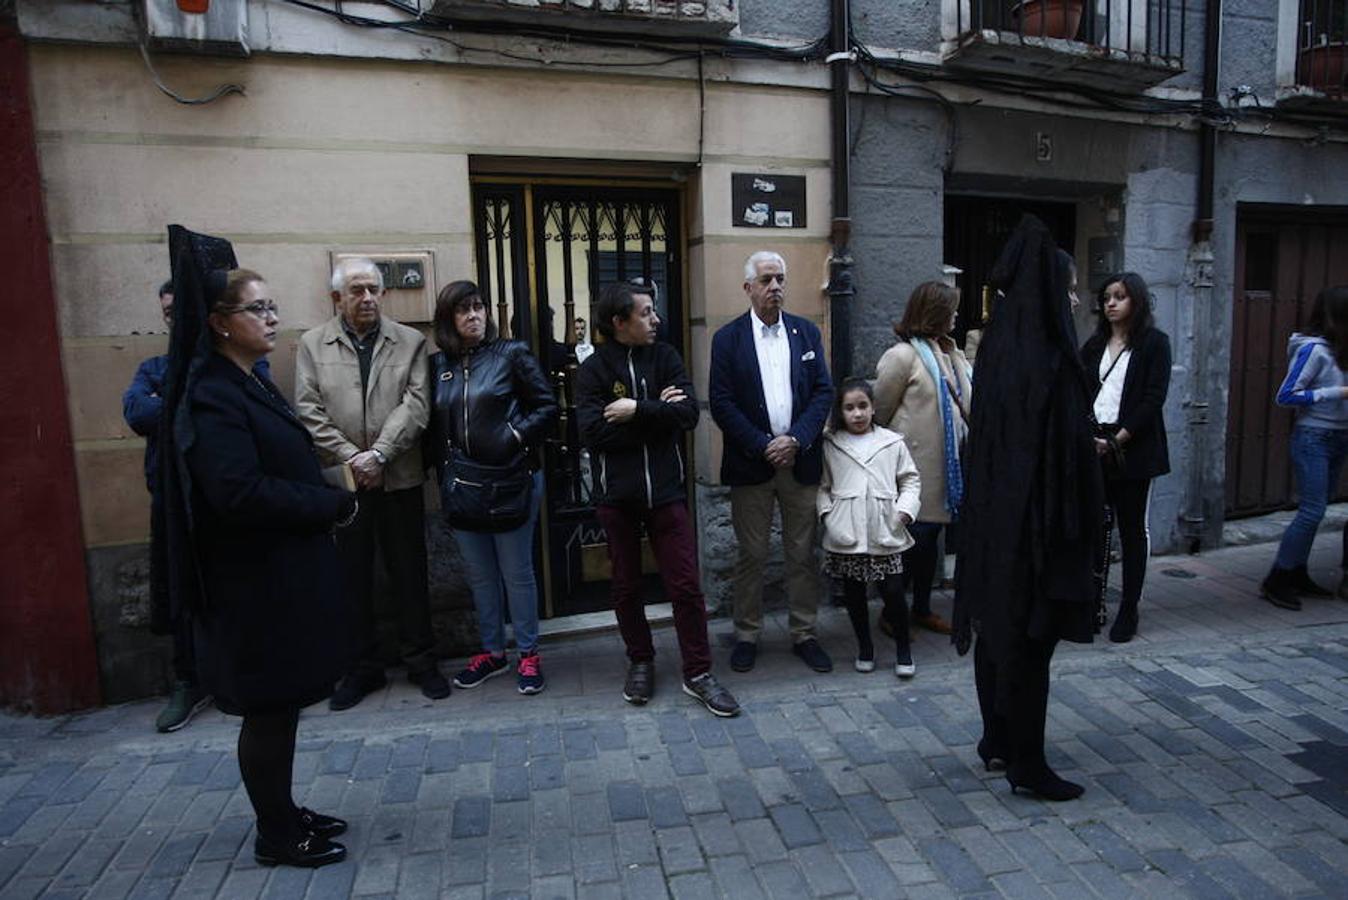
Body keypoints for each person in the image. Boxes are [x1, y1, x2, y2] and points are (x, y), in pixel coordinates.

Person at [157, 227, 356, 867]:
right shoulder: (211, 393)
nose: (272, 317)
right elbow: (238, 492)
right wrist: (331, 501)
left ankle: (284, 810)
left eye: (273, 306)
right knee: (268, 710)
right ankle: (276, 833)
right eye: (258, 309)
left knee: (284, 705)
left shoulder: (248, 378)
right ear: (219, 323)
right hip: (253, 586)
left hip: (281, 576)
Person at [953, 215, 1103, 802]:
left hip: (996, 518)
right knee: (1031, 644)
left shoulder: (996, 346)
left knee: (997, 633)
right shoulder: (1047, 356)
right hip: (1037, 522)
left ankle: (996, 738)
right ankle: (1028, 763)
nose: (1073, 298)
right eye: (1068, 287)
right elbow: (1058, 451)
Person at [577, 280, 741, 717]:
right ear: (619, 322)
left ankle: (699, 672)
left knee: (686, 585)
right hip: (618, 498)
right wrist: (658, 411)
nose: (656, 319)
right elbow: (593, 432)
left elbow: (687, 414)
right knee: (626, 587)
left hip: (666, 494)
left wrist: (637, 409)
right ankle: (641, 660)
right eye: (646, 312)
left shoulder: (666, 356)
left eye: (653, 311)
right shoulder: (593, 369)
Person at [295, 259, 445, 710]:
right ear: (337, 298)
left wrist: (379, 453)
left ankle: (421, 662)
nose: (366, 298)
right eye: (356, 290)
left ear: (383, 294)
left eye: (373, 289)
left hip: (398, 477)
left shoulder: (412, 341)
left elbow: (417, 405)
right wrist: (353, 459)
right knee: (351, 578)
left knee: (409, 573)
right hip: (345, 485)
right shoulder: (311, 343)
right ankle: (362, 669)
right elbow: (308, 409)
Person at [125, 279, 262, 732]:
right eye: (166, 312)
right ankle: (188, 680)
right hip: (173, 502)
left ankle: (252, 677)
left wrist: (175, 403)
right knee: (183, 590)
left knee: (240, 591)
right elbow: (137, 413)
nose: (172, 319)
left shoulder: (233, 367)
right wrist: (180, 402)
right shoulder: (154, 368)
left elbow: (257, 412)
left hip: (227, 501)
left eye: (178, 311)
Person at [427, 281, 557, 695]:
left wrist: (514, 437)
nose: (474, 316)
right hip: (464, 484)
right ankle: (492, 651)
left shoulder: (511, 354)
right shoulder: (438, 365)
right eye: (464, 310)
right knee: (480, 576)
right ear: (449, 318)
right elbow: (433, 422)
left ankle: (528, 653)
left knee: (516, 572)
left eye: (479, 307)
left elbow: (546, 407)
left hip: (511, 480)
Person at [710, 251, 834, 674]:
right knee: (753, 554)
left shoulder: (805, 333)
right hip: (752, 463)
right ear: (748, 288)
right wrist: (764, 444)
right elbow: (722, 403)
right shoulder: (727, 339)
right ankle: (746, 633)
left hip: (800, 462)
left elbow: (823, 393)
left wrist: (796, 439)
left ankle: (805, 632)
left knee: (802, 553)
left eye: (780, 278)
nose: (775, 287)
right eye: (766, 280)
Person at [873, 280, 974, 638]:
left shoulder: (950, 352)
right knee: (913, 543)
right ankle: (891, 612)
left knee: (930, 543)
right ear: (935, 313)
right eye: (952, 309)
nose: (957, 315)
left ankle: (921, 609)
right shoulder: (902, 357)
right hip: (913, 470)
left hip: (946, 470)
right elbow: (878, 412)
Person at [1080, 272, 1172, 641]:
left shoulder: (1154, 343)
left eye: (1120, 296)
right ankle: (1094, 604)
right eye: (1106, 298)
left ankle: (1129, 609)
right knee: (1096, 528)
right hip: (1094, 443)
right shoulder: (1095, 344)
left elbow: (1153, 398)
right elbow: (1080, 390)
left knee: (1132, 531)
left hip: (1132, 448)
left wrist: (1116, 440)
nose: (1111, 303)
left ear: (1137, 300)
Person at [818, 377, 922, 677]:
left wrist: (904, 511)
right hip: (847, 532)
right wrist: (828, 515)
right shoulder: (831, 444)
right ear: (841, 411)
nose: (857, 414)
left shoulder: (891, 442)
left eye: (863, 406)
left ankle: (903, 649)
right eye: (849, 408)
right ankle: (865, 647)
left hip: (885, 529)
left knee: (893, 591)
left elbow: (910, 479)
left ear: (873, 407)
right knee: (854, 594)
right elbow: (823, 487)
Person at [1261, 285, 1348, 610]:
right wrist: (1334, 393)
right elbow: (1286, 395)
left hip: (1339, 436)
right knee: (1312, 511)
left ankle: (1297, 571)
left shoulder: (1341, 349)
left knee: (1318, 508)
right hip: (1314, 437)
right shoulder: (1313, 350)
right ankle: (1278, 577)